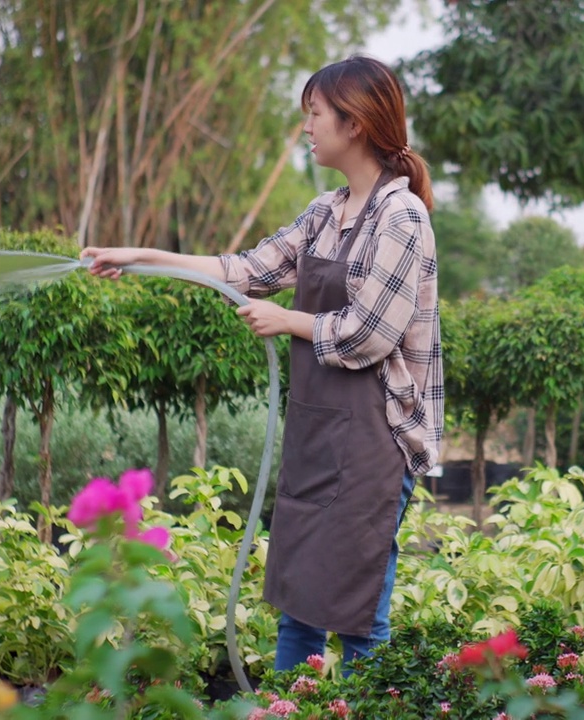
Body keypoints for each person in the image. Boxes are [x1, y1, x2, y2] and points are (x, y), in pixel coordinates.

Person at [81, 55, 442, 672]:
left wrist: (288, 321)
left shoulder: (401, 217)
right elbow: (245, 270)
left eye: (316, 115)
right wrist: (139, 255)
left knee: (359, 615)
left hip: (375, 442)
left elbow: (370, 334)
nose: (307, 128)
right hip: (316, 433)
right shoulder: (326, 212)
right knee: (299, 602)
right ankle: (288, 709)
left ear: (354, 124)